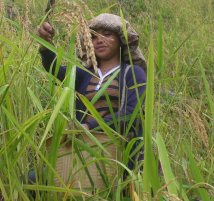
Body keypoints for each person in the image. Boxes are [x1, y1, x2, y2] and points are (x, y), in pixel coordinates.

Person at [37, 13, 147, 170]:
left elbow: (131, 114)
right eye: (94, 37)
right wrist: (45, 44)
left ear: (121, 39)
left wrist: (88, 126)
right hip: (84, 153)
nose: (99, 40)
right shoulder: (84, 73)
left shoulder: (133, 73)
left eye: (107, 34)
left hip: (120, 157)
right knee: (34, 179)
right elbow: (55, 69)